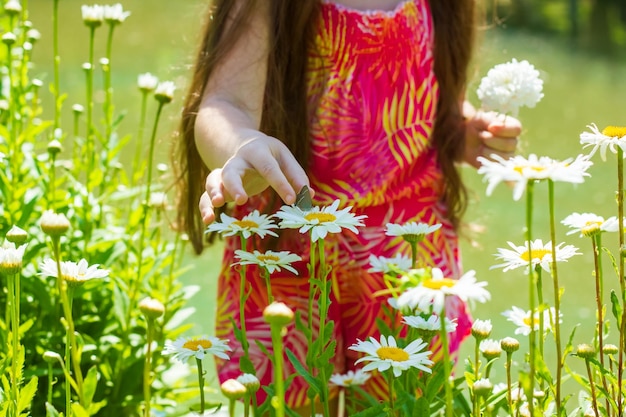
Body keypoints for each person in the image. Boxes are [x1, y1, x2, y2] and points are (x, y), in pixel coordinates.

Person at [173, 0, 521, 414]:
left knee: (401, 405)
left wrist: (459, 131)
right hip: (286, 246)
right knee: (288, 404)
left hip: (407, 254)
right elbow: (225, 102)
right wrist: (241, 146)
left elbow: (422, 87)